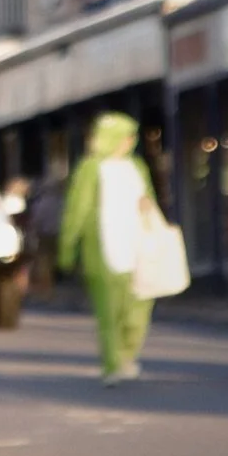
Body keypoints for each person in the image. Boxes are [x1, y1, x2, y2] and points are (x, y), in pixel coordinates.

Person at [58, 112, 157, 385]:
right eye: (125, 137)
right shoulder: (90, 168)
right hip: (102, 250)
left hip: (137, 247)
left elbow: (149, 199)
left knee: (138, 308)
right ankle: (113, 363)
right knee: (108, 311)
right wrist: (68, 247)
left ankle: (128, 354)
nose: (130, 142)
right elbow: (77, 209)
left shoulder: (137, 166)